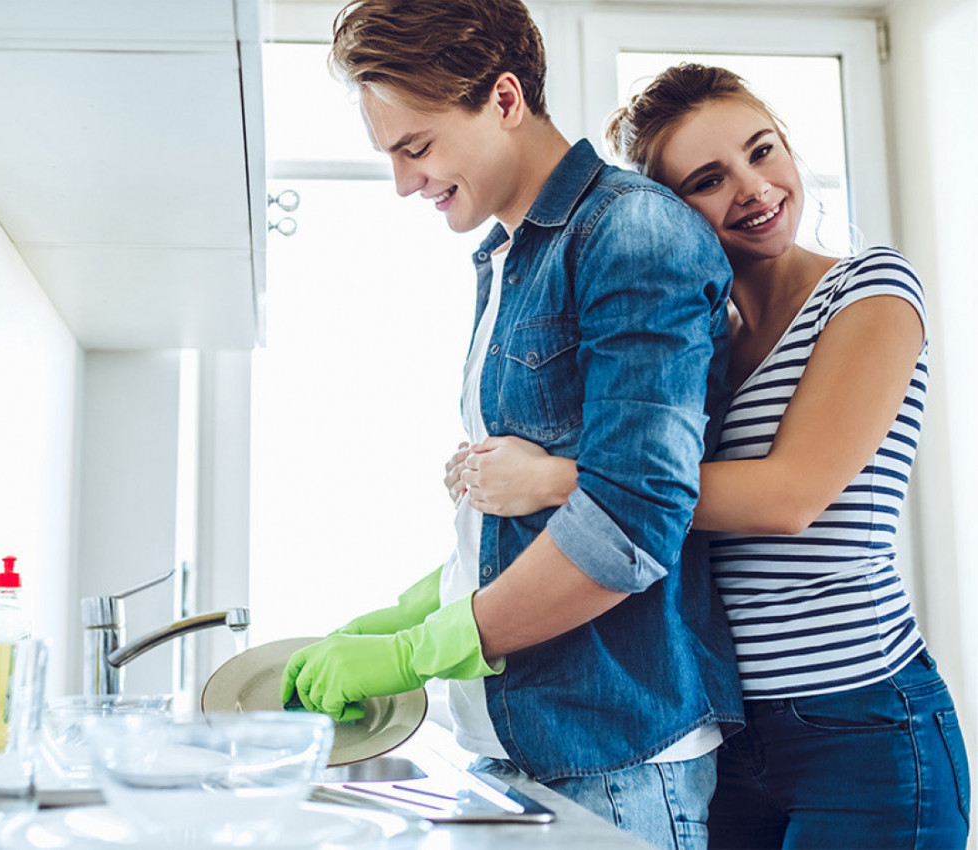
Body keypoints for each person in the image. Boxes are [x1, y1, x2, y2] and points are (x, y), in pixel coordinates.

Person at [448, 63, 971, 847]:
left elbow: (788, 496)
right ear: (672, 208)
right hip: (723, 731)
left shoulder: (870, 292)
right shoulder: (704, 339)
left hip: (863, 725)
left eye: (762, 152)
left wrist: (558, 480)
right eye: (708, 179)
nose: (753, 188)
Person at [278, 3, 744, 847]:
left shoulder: (628, 233)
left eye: (414, 147)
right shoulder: (511, 256)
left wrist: (420, 650)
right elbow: (523, 520)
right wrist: (403, 612)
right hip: (517, 752)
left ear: (501, 99)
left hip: (615, 762)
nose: (402, 182)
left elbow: (630, 523)